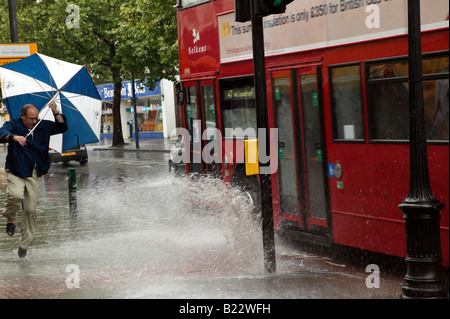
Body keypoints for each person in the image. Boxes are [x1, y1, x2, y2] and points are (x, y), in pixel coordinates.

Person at [0, 101, 68, 258]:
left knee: (30, 210)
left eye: (36, 118)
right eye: (31, 118)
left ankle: (25, 242)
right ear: (22, 116)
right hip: (16, 170)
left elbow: (62, 127)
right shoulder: (14, 125)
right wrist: (14, 137)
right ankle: (11, 218)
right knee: (16, 196)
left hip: (35, 171)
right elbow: (2, 132)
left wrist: (55, 112)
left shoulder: (42, 126)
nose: (34, 121)